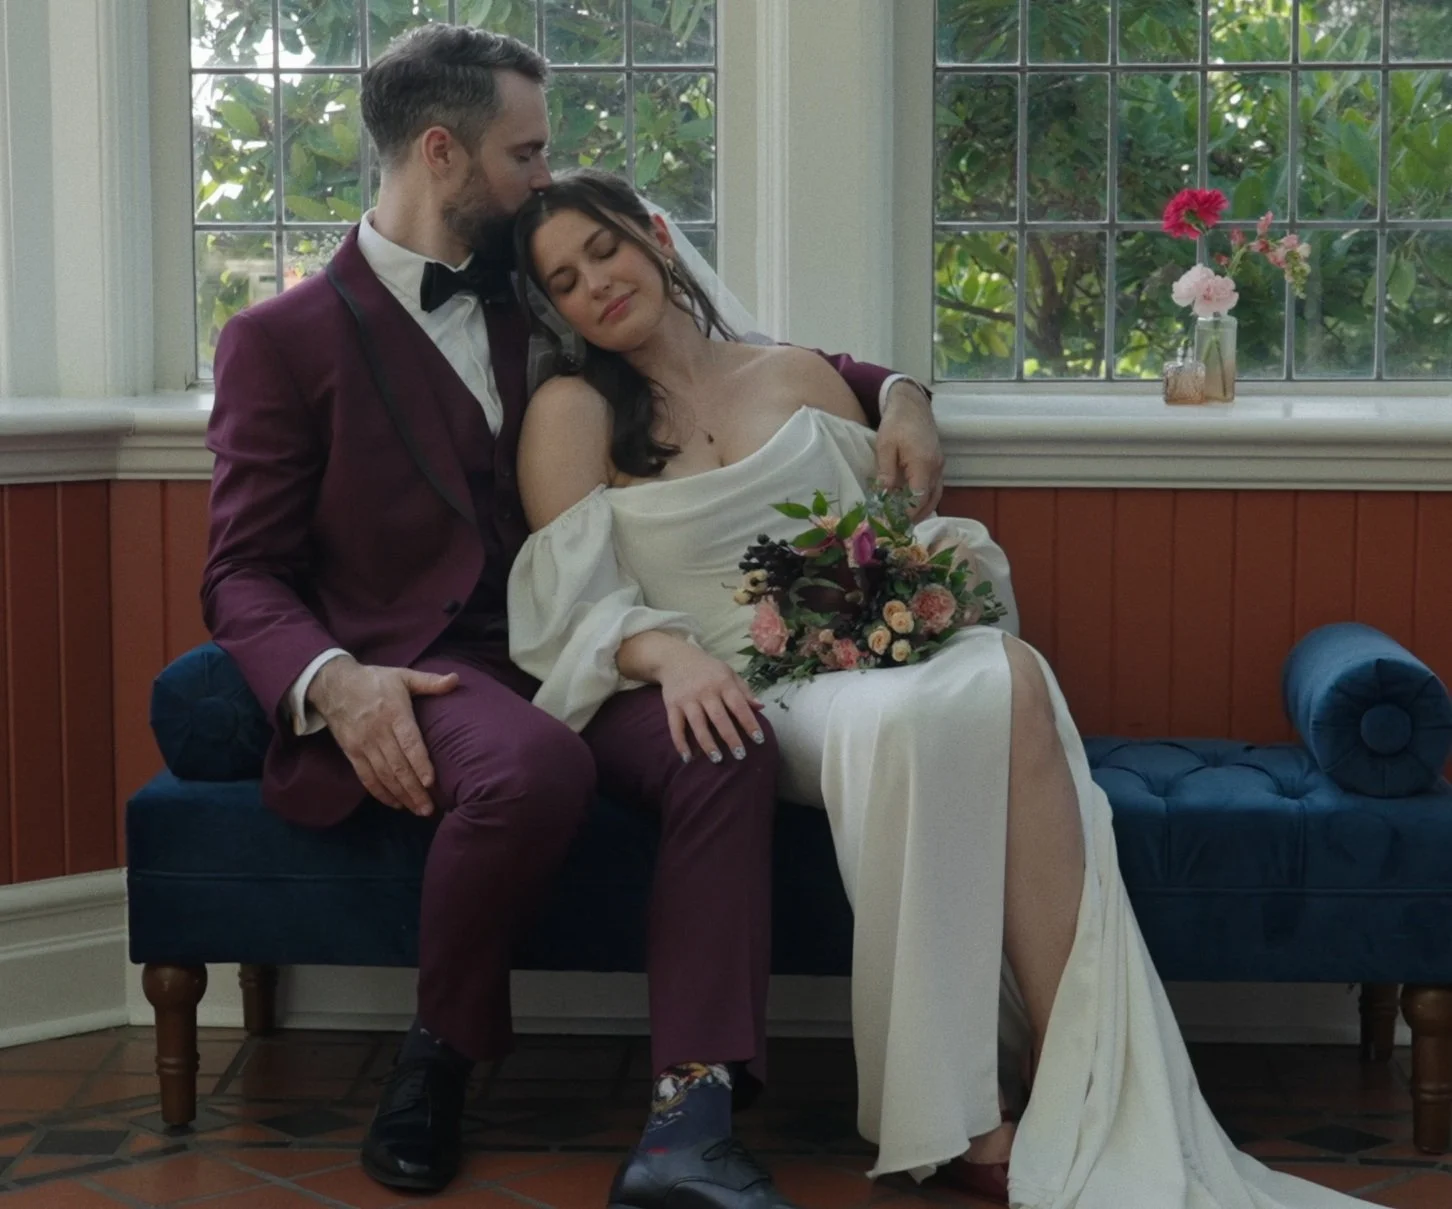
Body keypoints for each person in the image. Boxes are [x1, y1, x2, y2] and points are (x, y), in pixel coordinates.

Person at [504, 169, 1380, 1209]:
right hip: (754, 690)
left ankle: (1066, 1064)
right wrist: (668, 656)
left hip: (873, 657)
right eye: (564, 282)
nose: (596, 285)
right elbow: (569, 600)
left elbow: (884, 533)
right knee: (926, 713)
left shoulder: (797, 374)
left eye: (604, 250)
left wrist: (911, 555)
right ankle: (956, 1116)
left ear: (654, 235)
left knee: (1006, 670)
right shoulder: (571, 412)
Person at [201, 23, 943, 1207]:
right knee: (531, 767)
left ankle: (690, 1120)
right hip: (429, 668)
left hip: (589, 643)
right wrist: (336, 682)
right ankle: (437, 1059)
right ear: (441, 152)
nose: (545, 175)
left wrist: (901, 394)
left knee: (726, 742)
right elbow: (242, 572)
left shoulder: (538, 284)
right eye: (525, 153)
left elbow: (732, 354)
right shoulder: (276, 343)